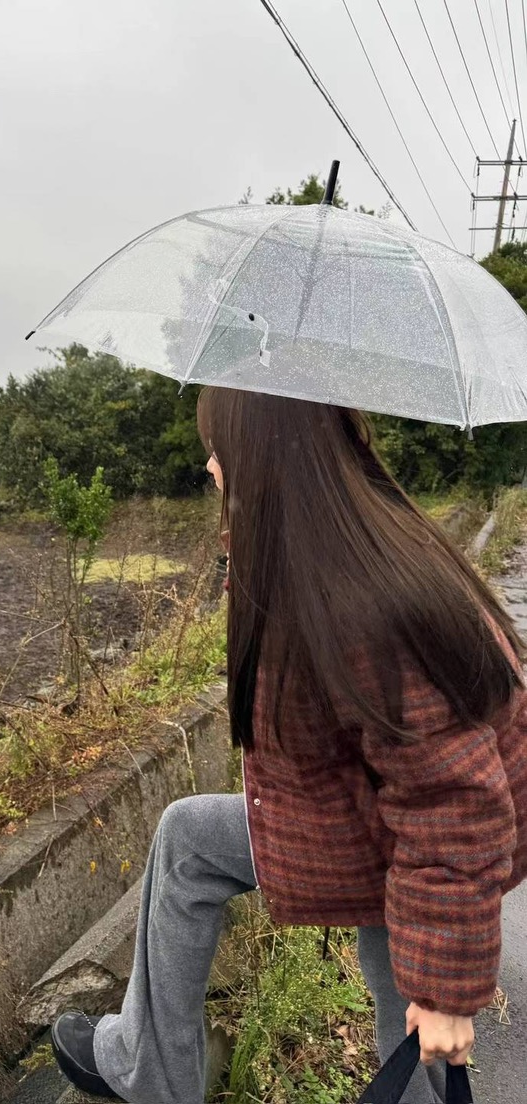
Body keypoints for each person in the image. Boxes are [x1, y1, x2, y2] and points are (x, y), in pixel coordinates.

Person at [50, 389, 527, 1104]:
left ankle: (150, 1077)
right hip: (375, 813)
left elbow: (452, 798)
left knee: (409, 1003)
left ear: (262, 456)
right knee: (198, 845)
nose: (211, 466)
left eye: (219, 447)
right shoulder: (345, 535)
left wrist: (451, 988)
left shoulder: (354, 598)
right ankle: (149, 1069)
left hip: (413, 833)